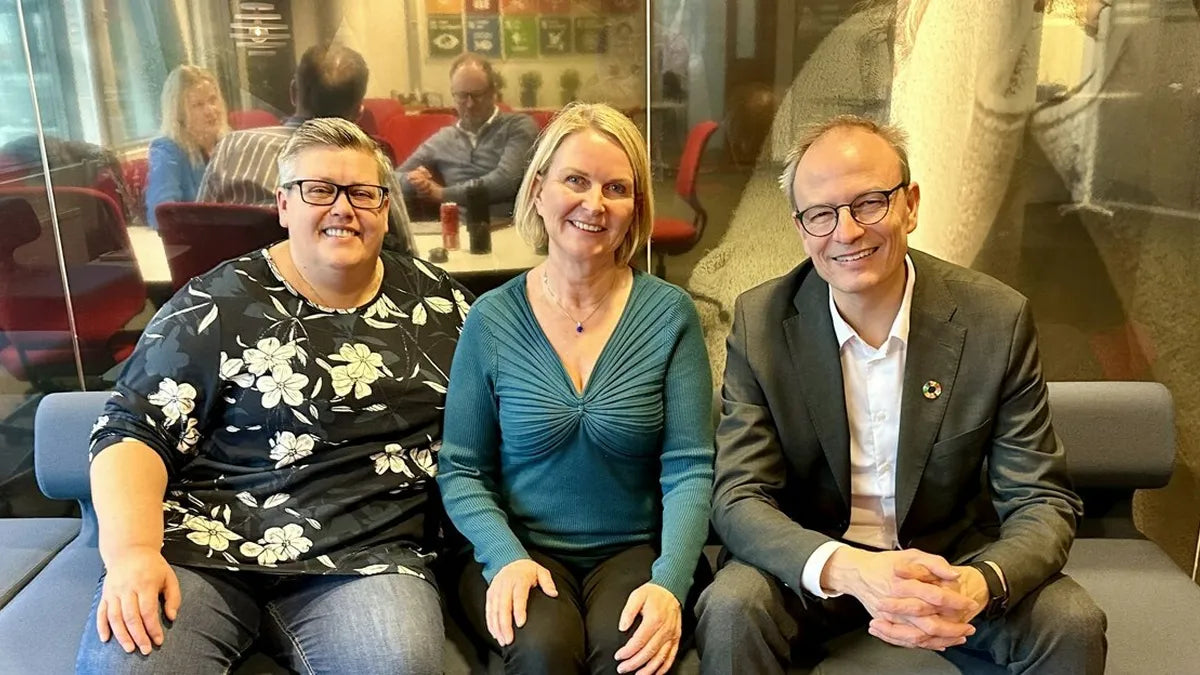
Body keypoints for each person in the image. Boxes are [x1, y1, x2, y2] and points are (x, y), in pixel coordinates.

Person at [695, 116, 1106, 674]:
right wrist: (849, 569)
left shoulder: (995, 319)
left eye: (869, 203)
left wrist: (978, 583)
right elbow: (739, 496)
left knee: (1071, 623)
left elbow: (1040, 499)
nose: (846, 232)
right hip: (817, 558)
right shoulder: (761, 322)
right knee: (731, 608)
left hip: (948, 563)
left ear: (910, 205)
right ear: (801, 227)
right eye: (821, 214)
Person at [76, 117, 470, 674]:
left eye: (362, 193)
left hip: (368, 556)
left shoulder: (442, 307)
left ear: (385, 208)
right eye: (319, 190)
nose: (343, 208)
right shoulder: (218, 301)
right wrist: (132, 553)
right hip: (203, 546)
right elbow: (131, 432)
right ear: (284, 205)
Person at [437, 102, 714, 675]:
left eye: (617, 188)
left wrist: (670, 583)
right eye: (576, 181)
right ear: (539, 190)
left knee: (629, 653)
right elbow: (462, 469)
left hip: (634, 547)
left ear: (635, 208)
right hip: (517, 545)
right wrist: (504, 556)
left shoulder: (670, 314)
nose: (595, 204)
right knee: (543, 650)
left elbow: (689, 467)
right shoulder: (491, 319)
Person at [197, 42, 415, 254]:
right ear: (359, 112)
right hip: (336, 279)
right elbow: (407, 256)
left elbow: (194, 233)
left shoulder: (231, 148)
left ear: (293, 93)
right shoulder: (371, 164)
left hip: (229, 277)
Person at [397, 53, 537, 218]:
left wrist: (442, 194)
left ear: (492, 93)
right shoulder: (443, 139)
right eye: (462, 96)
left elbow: (506, 181)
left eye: (477, 95)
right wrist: (414, 181)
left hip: (509, 224)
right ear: (453, 95)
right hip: (459, 228)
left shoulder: (518, 126)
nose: (470, 104)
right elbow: (392, 178)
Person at [146, 65, 228, 229]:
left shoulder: (230, 142)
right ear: (179, 114)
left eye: (213, 100)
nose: (210, 110)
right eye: (198, 105)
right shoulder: (168, 150)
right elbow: (161, 215)